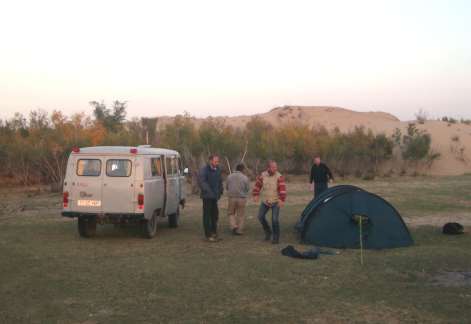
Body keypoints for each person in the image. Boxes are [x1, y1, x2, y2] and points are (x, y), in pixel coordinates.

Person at [252, 160, 287, 244]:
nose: (275, 168)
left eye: (276, 167)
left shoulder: (279, 176)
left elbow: (282, 188)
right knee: (260, 217)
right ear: (269, 167)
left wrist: (282, 199)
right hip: (265, 201)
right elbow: (257, 185)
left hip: (276, 201)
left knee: (274, 220)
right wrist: (255, 194)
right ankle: (268, 232)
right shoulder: (263, 175)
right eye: (273, 167)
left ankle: (276, 238)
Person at [198, 155, 224, 242]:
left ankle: (214, 232)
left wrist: (220, 191)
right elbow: (202, 182)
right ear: (210, 161)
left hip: (215, 197)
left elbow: (220, 181)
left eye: (218, 161)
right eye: (215, 161)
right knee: (207, 216)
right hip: (207, 197)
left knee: (215, 215)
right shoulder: (204, 170)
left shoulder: (218, 170)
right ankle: (208, 235)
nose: (217, 163)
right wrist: (210, 192)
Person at [226, 163, 250, 235]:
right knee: (241, 215)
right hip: (241, 198)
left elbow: (227, 187)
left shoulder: (229, 176)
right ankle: (239, 230)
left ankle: (233, 226)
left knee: (231, 213)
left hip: (231, 198)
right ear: (242, 169)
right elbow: (247, 188)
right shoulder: (245, 177)